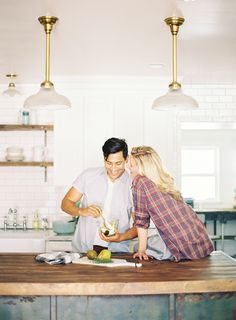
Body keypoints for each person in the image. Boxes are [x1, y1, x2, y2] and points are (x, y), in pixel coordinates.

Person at [128, 145, 214, 262]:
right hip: (201, 244)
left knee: (145, 245)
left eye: (131, 165)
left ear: (142, 166)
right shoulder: (162, 180)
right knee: (155, 240)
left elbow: (141, 221)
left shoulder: (139, 182)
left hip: (184, 248)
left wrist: (141, 250)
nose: (128, 167)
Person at [61, 137, 137, 253]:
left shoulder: (134, 185)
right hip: (83, 251)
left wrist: (121, 237)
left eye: (118, 163)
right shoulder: (88, 176)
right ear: (104, 159)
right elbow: (65, 203)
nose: (113, 169)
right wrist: (82, 211)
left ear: (126, 159)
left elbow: (140, 226)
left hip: (117, 252)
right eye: (109, 163)